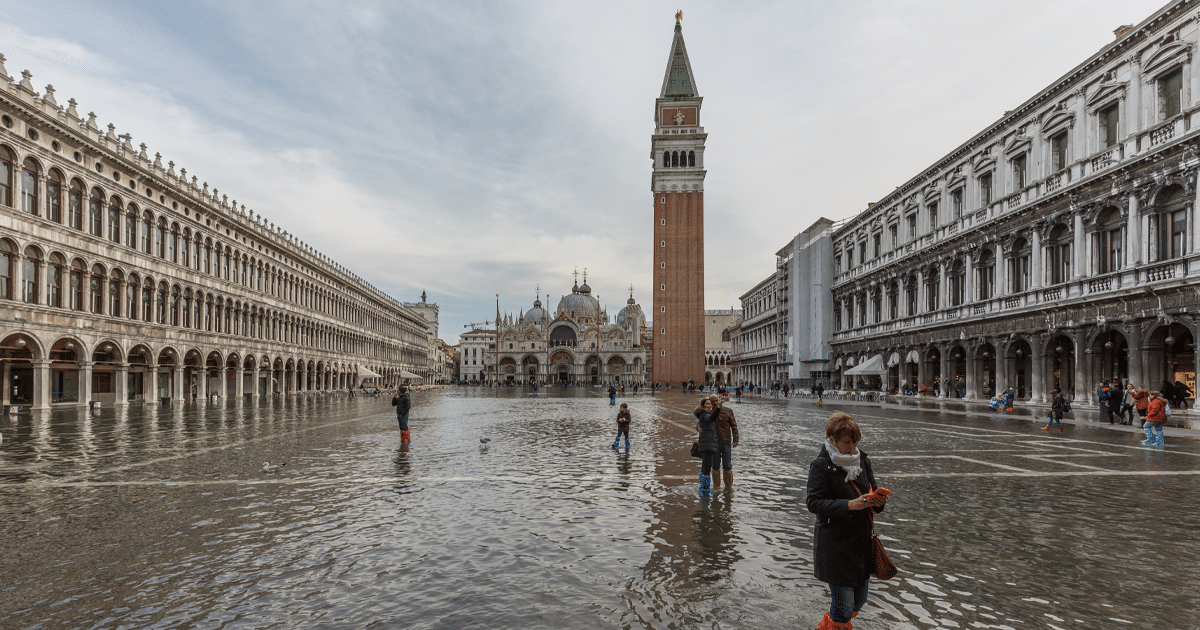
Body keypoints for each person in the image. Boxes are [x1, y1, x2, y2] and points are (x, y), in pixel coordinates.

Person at [806, 412, 889, 630]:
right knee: (843, 607)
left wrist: (877, 500)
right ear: (832, 439)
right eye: (846, 442)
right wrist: (849, 505)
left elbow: (871, 489)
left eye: (855, 442)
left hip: (861, 542)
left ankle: (826, 626)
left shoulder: (862, 460)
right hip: (835, 544)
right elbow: (813, 503)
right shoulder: (821, 465)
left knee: (859, 601)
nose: (852, 448)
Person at [709, 394, 739, 490]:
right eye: (712, 401)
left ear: (719, 400)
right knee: (715, 465)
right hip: (714, 444)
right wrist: (698, 427)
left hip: (726, 442)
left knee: (727, 466)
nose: (714, 403)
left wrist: (735, 440)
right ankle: (716, 487)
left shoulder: (728, 411)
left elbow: (734, 426)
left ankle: (728, 487)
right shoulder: (709, 413)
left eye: (715, 400)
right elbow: (701, 422)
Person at [693, 398, 720, 495]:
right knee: (707, 467)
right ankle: (705, 489)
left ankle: (704, 487)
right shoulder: (706, 415)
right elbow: (708, 419)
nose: (711, 405)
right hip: (708, 445)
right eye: (708, 404)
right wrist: (697, 427)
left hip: (713, 444)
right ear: (704, 406)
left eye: (711, 403)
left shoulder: (710, 413)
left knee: (706, 466)